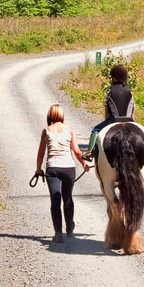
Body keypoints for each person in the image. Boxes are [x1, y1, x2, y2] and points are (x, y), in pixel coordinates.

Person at [34, 103, 90, 243]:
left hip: (52, 169)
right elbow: (77, 151)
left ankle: (58, 233)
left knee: (55, 200)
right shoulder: (69, 130)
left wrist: (38, 169)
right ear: (62, 115)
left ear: (50, 116)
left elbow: (41, 153)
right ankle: (70, 226)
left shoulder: (46, 130)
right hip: (68, 168)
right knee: (68, 198)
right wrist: (83, 163)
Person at [85, 62, 135, 162]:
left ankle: (89, 152)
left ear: (115, 78)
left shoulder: (110, 91)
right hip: (129, 119)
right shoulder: (129, 91)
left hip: (114, 119)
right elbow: (133, 109)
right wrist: (133, 121)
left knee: (95, 130)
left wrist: (107, 122)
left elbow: (107, 110)